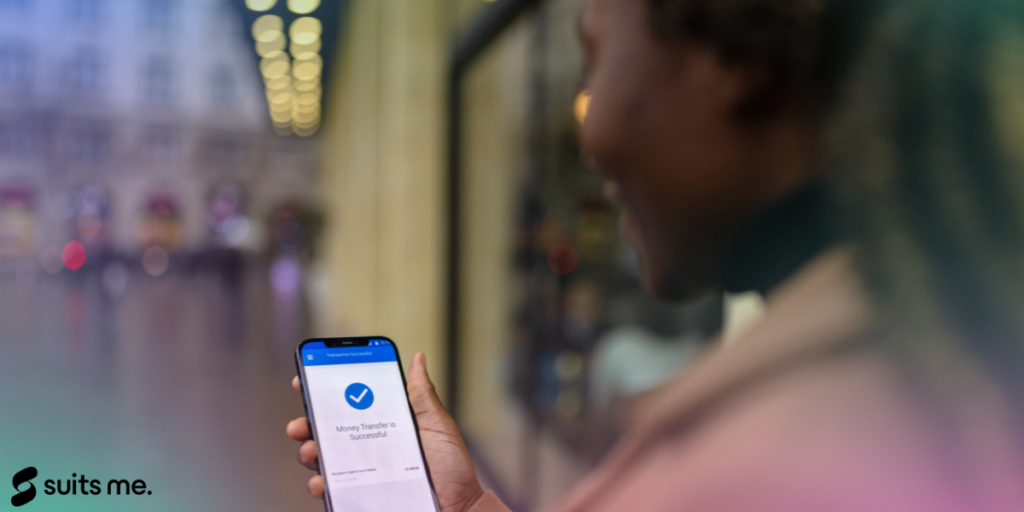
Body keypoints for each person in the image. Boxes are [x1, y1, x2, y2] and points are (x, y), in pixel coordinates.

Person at [287, 0, 1024, 509]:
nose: (588, 127)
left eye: (597, 57)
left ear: (732, 60)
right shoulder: (910, 371)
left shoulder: (782, 465)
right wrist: (468, 505)